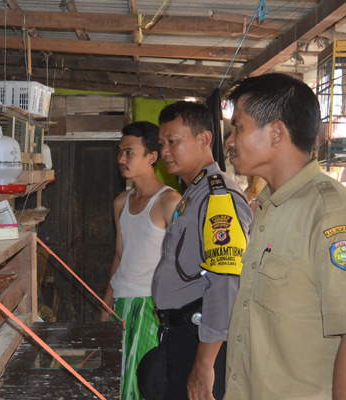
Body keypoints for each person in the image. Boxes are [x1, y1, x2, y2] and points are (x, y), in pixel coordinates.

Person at [224, 73, 346, 399]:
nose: (229, 140)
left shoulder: (328, 213)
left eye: (239, 127)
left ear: (276, 132)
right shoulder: (268, 207)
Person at [139, 101, 252, 400]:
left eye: (173, 142)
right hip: (182, 334)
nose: (164, 151)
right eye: (161, 144)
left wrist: (204, 364)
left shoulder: (217, 196)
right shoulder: (193, 193)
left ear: (204, 139)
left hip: (201, 340)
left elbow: (226, 281)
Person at [97, 121, 181, 400]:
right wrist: (105, 307)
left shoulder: (169, 202)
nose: (121, 159)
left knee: (145, 383)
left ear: (152, 156)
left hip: (151, 306)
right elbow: (119, 256)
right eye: (120, 152)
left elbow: (181, 264)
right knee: (118, 382)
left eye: (129, 152)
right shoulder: (120, 202)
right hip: (121, 302)